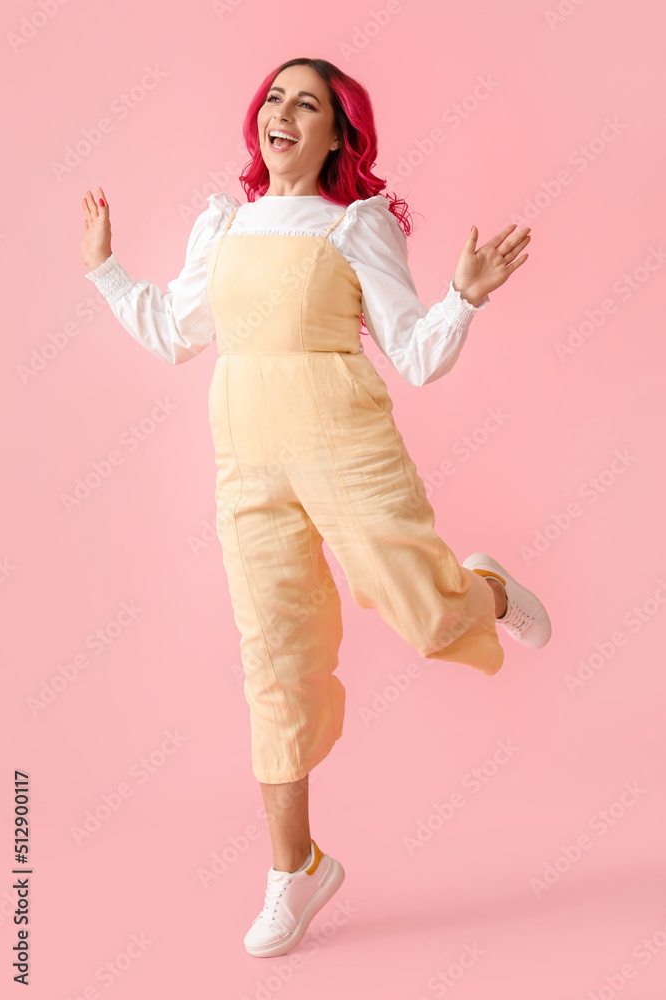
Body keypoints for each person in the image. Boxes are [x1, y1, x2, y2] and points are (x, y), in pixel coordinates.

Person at [80, 57, 552, 959]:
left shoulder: (354, 229)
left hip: (346, 448)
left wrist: (464, 297)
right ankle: (293, 871)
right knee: (274, 659)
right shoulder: (220, 223)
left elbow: (412, 355)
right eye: (274, 97)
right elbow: (178, 334)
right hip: (246, 464)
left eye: (309, 103)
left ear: (339, 135)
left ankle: (482, 589)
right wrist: (106, 273)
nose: (283, 112)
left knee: (425, 614)